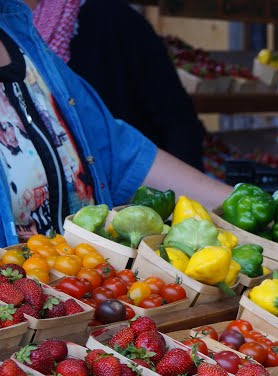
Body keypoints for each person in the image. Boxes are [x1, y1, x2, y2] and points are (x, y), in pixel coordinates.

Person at [0, 0, 230, 245]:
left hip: (89, 276)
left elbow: (118, 155)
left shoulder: (21, 38)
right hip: (20, 282)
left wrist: (237, 203)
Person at [31, 0, 206, 170]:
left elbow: (176, 117)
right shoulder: (14, 37)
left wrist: (185, 195)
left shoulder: (113, 18)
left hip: (130, 181)